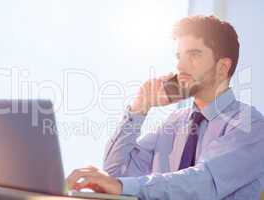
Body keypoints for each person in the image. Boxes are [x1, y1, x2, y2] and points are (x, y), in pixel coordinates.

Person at [66, 15, 264, 199]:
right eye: (179, 56)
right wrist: (139, 108)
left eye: (193, 55)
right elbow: (116, 174)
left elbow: (202, 185)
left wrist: (121, 186)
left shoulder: (250, 124)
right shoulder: (174, 123)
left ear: (222, 67)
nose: (180, 66)